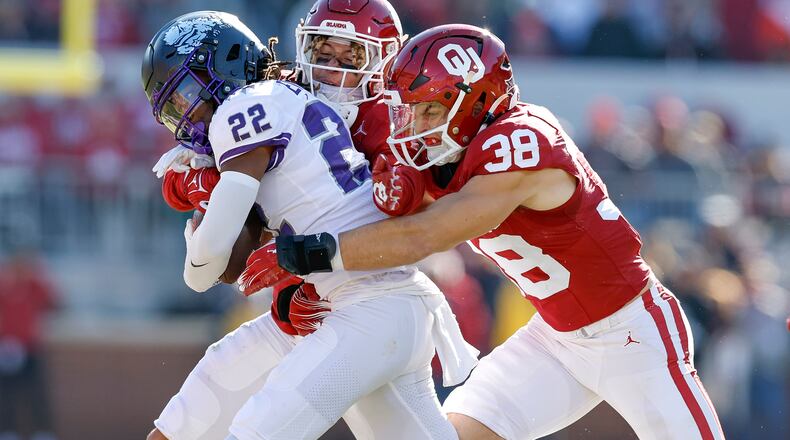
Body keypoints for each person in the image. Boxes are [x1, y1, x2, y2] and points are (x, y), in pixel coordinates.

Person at [257, 24, 725, 440]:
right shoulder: (450, 152)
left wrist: (306, 254)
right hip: (555, 338)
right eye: (410, 111)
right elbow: (371, 218)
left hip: (632, 332)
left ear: (475, 102)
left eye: (429, 111)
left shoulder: (522, 141)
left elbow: (425, 236)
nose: (414, 126)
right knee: (454, 434)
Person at [142, 10, 476, 440]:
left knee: (252, 431)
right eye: (322, 53)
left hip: (365, 302)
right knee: (185, 422)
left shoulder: (397, 122)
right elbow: (236, 239)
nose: (331, 70)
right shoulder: (282, 93)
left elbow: (417, 233)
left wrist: (299, 258)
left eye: (350, 57)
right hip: (318, 309)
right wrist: (203, 186)